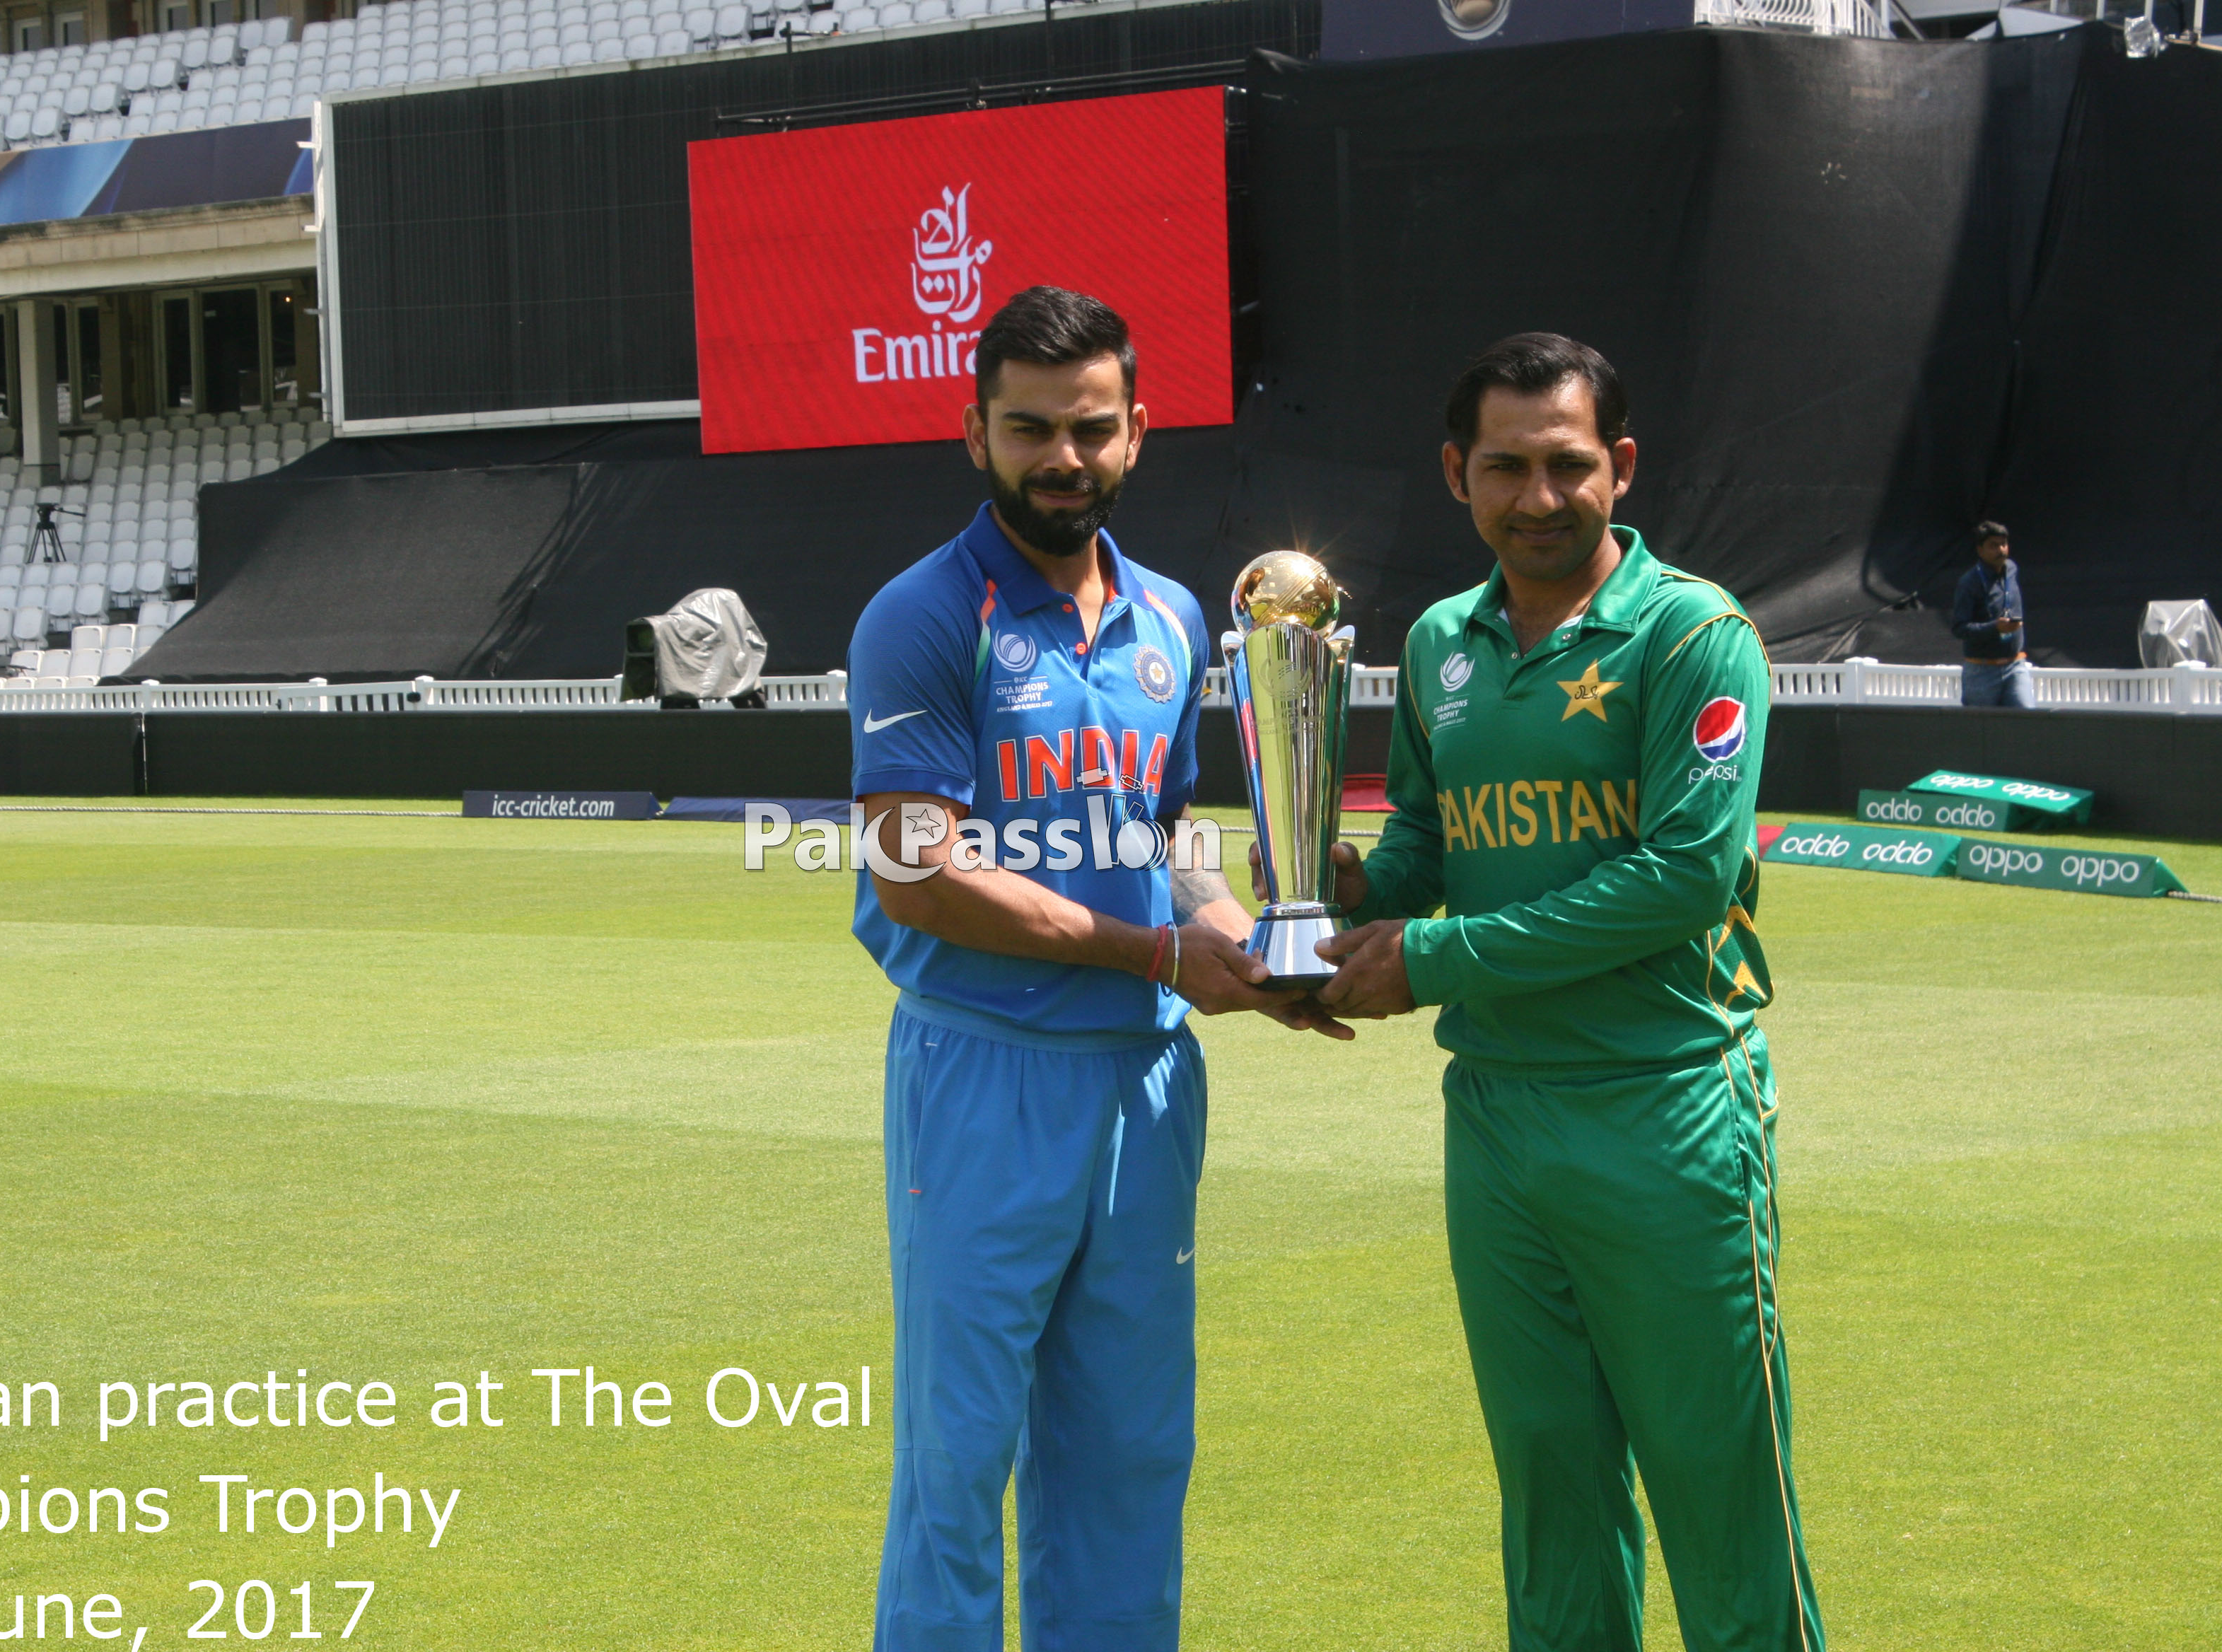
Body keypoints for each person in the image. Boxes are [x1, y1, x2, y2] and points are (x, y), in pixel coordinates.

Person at [1305, 334, 1824, 1650]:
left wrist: (1429, 958)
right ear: (1454, 475)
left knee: (1718, 1489)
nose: (1538, 496)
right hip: (1495, 1114)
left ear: (1621, 466)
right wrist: (1350, 886)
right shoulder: (1437, 643)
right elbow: (1431, 841)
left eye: (1566, 464)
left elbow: (1683, 877)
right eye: (1504, 468)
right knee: (1547, 1482)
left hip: (1663, 1106)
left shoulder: (1691, 632)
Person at [847, 285, 1304, 1652]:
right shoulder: (923, 616)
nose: (1061, 457)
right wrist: (1156, 948)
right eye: (1028, 429)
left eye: (1089, 429)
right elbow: (914, 871)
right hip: (984, 1072)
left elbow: (1167, 830)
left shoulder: (1171, 617)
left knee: (1127, 1455)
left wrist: (1234, 933)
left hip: (1146, 1084)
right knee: (957, 1463)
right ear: (973, 432)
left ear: (1135, 431)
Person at [1952, 520, 2032, 708]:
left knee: (2028, 723)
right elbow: (1959, 628)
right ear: (1980, 550)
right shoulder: (1969, 583)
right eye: (1994, 546)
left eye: (2004, 544)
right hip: (1982, 670)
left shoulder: (2011, 569)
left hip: (2015, 665)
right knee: (1981, 729)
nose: (2001, 550)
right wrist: (1995, 627)